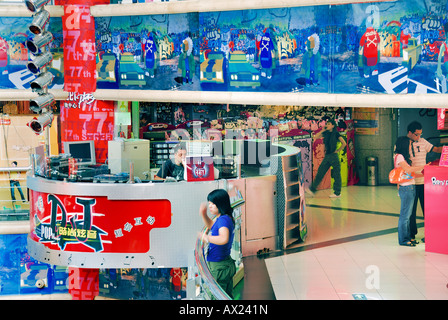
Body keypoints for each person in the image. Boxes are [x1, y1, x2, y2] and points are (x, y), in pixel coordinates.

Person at [406, 121, 443, 243]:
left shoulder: (423, 142)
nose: (419, 137)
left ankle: (430, 234)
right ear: (410, 133)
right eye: (417, 134)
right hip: (410, 183)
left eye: (420, 134)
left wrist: (445, 149)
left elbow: (436, 149)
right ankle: (411, 234)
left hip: (424, 182)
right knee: (411, 211)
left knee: (427, 210)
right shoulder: (403, 143)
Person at [199, 189, 236, 299]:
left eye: (213, 204)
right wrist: (203, 214)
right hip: (225, 264)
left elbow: (223, 238)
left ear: (221, 204)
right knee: (226, 295)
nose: (210, 206)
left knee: (216, 296)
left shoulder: (223, 220)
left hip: (219, 266)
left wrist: (206, 238)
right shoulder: (225, 217)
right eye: (209, 204)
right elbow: (212, 226)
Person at [394, 136, 425, 247]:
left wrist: (423, 174)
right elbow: (408, 170)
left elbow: (409, 174)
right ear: (404, 145)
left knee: (408, 215)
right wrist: (423, 166)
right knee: (405, 216)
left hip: (410, 187)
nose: (410, 146)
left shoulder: (404, 157)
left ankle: (408, 238)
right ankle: (403, 240)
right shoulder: (399, 157)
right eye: (409, 144)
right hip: (406, 188)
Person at [306, 119, 346, 198]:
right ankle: (313, 190)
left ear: (333, 126)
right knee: (320, 172)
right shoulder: (326, 133)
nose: (327, 125)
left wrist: (338, 150)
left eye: (329, 124)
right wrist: (322, 130)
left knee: (336, 174)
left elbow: (344, 143)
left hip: (334, 156)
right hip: (327, 156)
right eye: (326, 123)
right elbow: (316, 137)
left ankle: (337, 192)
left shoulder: (336, 134)